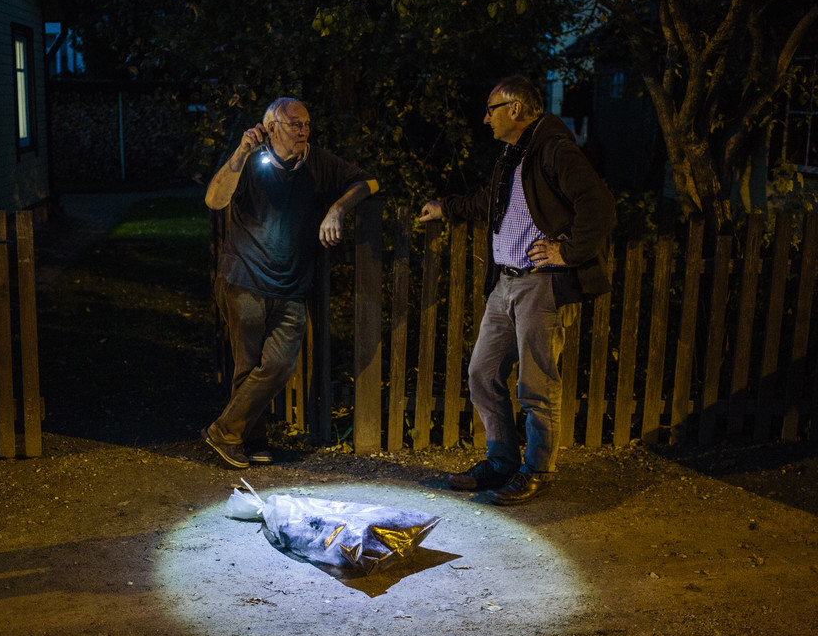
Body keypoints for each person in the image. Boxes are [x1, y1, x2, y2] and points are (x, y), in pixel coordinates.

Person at [420, 75, 615, 505]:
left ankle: (537, 470)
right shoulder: (514, 153)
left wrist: (569, 253)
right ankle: (502, 461)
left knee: (536, 384)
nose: (485, 117)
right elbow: (492, 202)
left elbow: (598, 206)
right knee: (482, 373)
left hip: (540, 285)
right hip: (505, 282)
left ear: (514, 109)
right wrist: (445, 208)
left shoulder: (554, 149)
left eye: (491, 108)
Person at [202, 97, 379, 468]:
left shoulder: (318, 161)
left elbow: (370, 181)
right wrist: (240, 151)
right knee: (247, 367)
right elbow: (215, 200)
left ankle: (224, 432)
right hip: (244, 279)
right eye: (294, 124)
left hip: (292, 286)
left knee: (279, 365)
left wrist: (337, 208)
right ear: (270, 128)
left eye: (306, 124)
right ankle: (247, 439)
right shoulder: (250, 161)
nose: (303, 131)